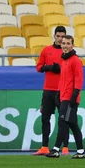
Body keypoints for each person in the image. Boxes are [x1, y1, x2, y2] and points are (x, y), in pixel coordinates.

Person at [46, 35, 85, 159]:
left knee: (63, 122)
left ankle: (56, 149)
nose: (65, 46)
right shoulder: (63, 60)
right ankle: (80, 152)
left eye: (68, 43)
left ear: (72, 45)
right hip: (63, 96)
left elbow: (79, 79)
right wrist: (58, 92)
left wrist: (75, 95)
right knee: (72, 124)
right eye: (63, 43)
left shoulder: (75, 60)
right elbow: (63, 79)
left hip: (70, 97)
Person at [32, 26, 68, 156]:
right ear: (54, 36)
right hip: (48, 90)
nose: (60, 39)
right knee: (45, 118)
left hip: (62, 90)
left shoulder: (68, 53)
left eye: (62, 37)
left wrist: (62, 69)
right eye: (58, 36)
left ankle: (64, 147)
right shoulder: (47, 50)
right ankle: (44, 146)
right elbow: (38, 67)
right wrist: (50, 67)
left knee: (63, 119)